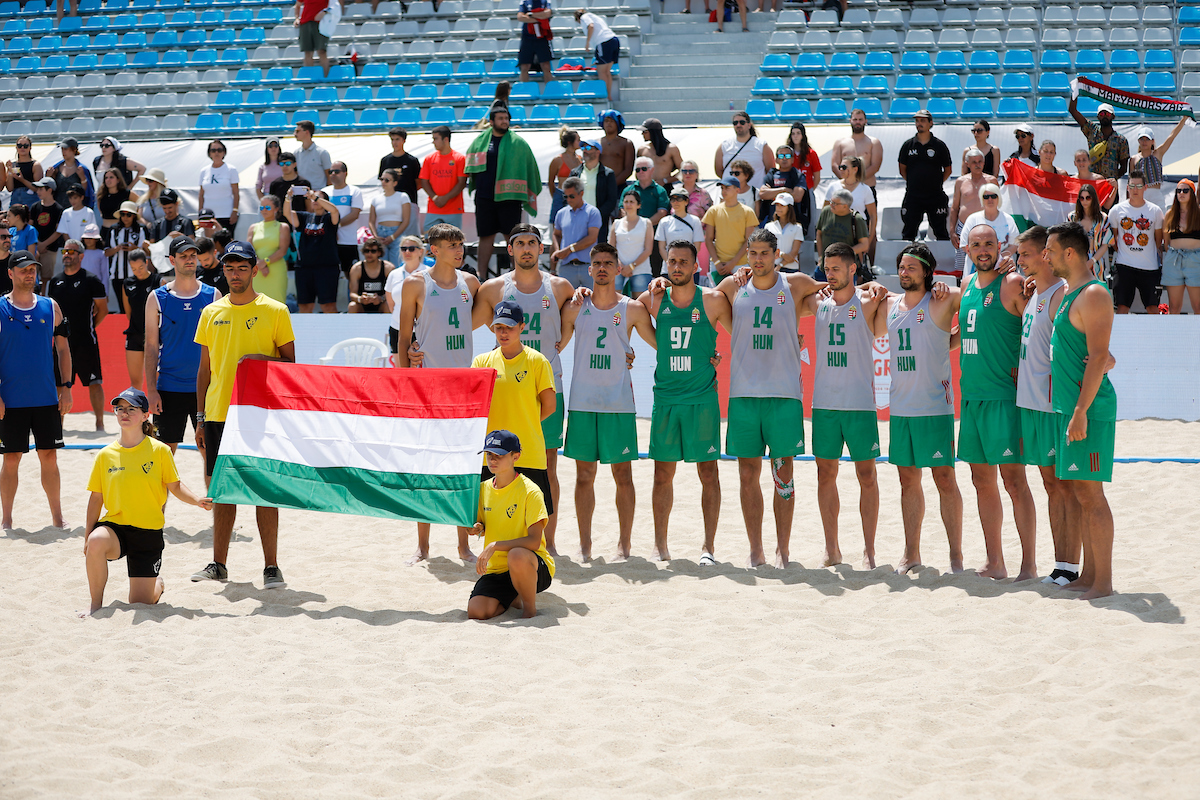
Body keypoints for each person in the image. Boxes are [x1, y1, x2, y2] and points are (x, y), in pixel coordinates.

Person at [192, 240, 296, 588]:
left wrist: (257, 361)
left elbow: (290, 364)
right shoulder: (211, 312)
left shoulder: (276, 310)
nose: (234, 274)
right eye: (229, 267)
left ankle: (271, 567)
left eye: (241, 267)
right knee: (223, 491)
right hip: (219, 413)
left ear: (254, 269)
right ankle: (218, 564)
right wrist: (200, 418)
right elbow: (204, 372)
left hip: (260, 413)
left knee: (264, 490)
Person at [717, 229, 824, 567]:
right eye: (753, 253)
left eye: (765, 253)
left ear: (777, 254)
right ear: (746, 254)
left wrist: (873, 286)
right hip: (744, 395)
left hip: (784, 396)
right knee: (747, 475)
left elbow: (839, 289)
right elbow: (696, 301)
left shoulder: (795, 284)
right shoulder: (733, 286)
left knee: (783, 475)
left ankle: (783, 548)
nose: (758, 259)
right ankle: (756, 548)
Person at [472, 223, 574, 555]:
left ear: (541, 249)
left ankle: (550, 540)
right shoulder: (492, 288)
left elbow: (584, 321)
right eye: (520, 243)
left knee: (547, 465)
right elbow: (458, 319)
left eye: (533, 242)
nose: (527, 248)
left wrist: (626, 352)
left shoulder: (560, 287)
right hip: (506, 388)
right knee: (502, 466)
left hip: (547, 383)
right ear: (510, 249)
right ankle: (502, 534)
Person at [559, 243, 656, 560]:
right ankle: (585, 545)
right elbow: (554, 345)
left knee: (623, 477)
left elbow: (663, 344)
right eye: (596, 263)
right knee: (584, 476)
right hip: (583, 403)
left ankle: (624, 545)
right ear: (589, 270)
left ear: (618, 268)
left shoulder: (633, 308)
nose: (601, 268)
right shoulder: (574, 307)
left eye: (607, 263)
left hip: (618, 405)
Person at [80, 387, 212, 617]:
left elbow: (175, 486)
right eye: (120, 408)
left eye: (131, 409)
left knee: (140, 602)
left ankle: (157, 585)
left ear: (145, 415)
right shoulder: (105, 455)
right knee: (96, 541)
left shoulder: (160, 450)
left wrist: (197, 499)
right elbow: (96, 498)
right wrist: (88, 537)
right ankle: (95, 605)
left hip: (148, 532)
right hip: (116, 527)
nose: (125, 413)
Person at [397, 223, 481, 564]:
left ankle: (463, 545)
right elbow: (404, 338)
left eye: (460, 243)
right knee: (425, 466)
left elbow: (481, 321)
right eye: (451, 243)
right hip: (427, 386)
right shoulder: (416, 284)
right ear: (433, 249)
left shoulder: (470, 283)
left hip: (463, 386)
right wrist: (405, 377)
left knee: (462, 466)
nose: (458, 249)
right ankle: (423, 545)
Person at [958, 224, 1037, 581]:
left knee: (1015, 482)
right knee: (981, 480)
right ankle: (995, 561)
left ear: (999, 246)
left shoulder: (1011, 283)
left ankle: (1029, 564)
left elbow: (1039, 326)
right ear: (967, 250)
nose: (983, 249)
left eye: (989, 243)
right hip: (972, 398)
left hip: (1003, 398)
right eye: (976, 244)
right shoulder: (964, 287)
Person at [643, 240, 730, 563]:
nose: (677, 266)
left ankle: (708, 547)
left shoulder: (712, 301)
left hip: (702, 400)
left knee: (708, 473)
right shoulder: (653, 298)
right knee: (662, 475)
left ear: (696, 267)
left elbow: (743, 330)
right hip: (666, 398)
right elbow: (627, 315)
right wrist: (653, 347)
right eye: (672, 261)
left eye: (683, 262)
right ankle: (660, 545)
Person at [1045, 221, 1119, 600]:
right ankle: (1089, 575)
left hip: (1087, 409)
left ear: (1069, 253)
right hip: (1072, 407)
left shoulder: (1092, 293)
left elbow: (1100, 357)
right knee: (1079, 491)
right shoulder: (1071, 293)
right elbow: (1099, 356)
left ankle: (1103, 582)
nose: (1047, 256)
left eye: (1051, 251)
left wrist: (1080, 411)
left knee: (1091, 494)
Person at [885, 243, 964, 575]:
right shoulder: (890, 303)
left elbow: (975, 291)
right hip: (901, 406)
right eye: (901, 267)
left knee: (944, 478)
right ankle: (911, 552)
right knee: (907, 480)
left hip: (934, 406)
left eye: (911, 267)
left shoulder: (942, 299)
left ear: (928, 272)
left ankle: (956, 555)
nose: (904, 272)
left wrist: (947, 282)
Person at [809, 242, 887, 568]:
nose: (829, 274)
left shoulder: (869, 302)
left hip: (859, 403)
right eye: (827, 268)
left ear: (853, 268)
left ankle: (869, 550)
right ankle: (832, 548)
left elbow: (900, 299)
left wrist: (875, 284)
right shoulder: (817, 302)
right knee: (826, 474)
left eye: (836, 268)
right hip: (824, 403)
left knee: (866, 475)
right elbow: (785, 284)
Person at [470, 300, 557, 566]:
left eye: (509, 327)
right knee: (492, 519)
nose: (503, 333)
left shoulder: (537, 361)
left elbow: (550, 406)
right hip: (493, 454)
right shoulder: (482, 362)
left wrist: (524, 423)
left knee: (531, 525)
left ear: (522, 327)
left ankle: (530, 572)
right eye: (498, 327)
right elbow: (472, 405)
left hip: (527, 453)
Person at [1013, 226, 1075, 586]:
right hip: (1031, 403)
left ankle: (1069, 565)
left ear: (1045, 255)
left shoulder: (1061, 295)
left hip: (1052, 405)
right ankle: (1061, 564)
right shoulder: (1036, 292)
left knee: (1063, 486)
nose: (1020, 260)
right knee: (1051, 485)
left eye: (1026, 254)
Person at [0, 250, 72, 530]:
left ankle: (57, 516)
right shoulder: (1, 308)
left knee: (49, 456)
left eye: (32, 269)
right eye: (23, 269)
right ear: (10, 273)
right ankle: (6, 519)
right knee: (11, 458)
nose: (29, 274)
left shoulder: (50, 306)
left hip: (45, 397)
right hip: (11, 398)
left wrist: (66, 387)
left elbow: (64, 349)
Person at [144, 236, 219, 467]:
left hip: (206, 389)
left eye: (192, 255)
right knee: (163, 459)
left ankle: (215, 505)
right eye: (183, 256)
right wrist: (151, 390)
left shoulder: (213, 295)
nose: (189, 260)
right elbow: (151, 347)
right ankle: (159, 506)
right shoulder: (157, 298)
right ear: (172, 260)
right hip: (169, 388)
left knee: (210, 456)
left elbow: (219, 347)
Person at [468, 430, 555, 620]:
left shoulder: (530, 491)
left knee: (516, 554)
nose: (492, 460)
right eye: (489, 455)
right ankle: (514, 596)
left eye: (499, 455)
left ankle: (529, 610)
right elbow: (479, 524)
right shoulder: (483, 488)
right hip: (497, 568)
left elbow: (534, 542)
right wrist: (475, 528)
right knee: (476, 612)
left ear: (516, 456)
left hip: (531, 565)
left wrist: (496, 545)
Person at [464, 104, 540, 279]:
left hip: (510, 197)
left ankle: (517, 276)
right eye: (500, 118)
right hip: (484, 197)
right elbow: (469, 167)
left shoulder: (519, 143)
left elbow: (530, 168)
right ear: (491, 121)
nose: (504, 121)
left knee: (513, 238)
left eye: (506, 119)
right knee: (485, 237)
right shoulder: (480, 141)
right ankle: (481, 277)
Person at [47, 239, 107, 431]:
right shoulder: (55, 281)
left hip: (85, 340)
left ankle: (99, 424)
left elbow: (102, 310)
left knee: (95, 382)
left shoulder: (91, 280)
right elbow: (51, 313)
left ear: (81, 256)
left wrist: (88, 326)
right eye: (65, 251)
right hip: (60, 342)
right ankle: (59, 424)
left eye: (72, 251)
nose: (67, 254)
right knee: (59, 384)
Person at [1105, 170, 1164, 314]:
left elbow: (1158, 240)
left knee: (1152, 307)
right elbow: (1114, 238)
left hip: (1149, 266)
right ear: (1127, 187)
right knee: (1122, 307)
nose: (1135, 190)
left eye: (1138, 186)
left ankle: (1157, 336)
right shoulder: (1116, 210)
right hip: (1124, 265)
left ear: (1145, 187)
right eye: (1132, 186)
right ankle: (1120, 336)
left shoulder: (1155, 211)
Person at [283, 186, 342, 314]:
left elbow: (335, 210)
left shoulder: (329, 217)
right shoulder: (305, 217)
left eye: (318, 198)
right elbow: (287, 213)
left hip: (326, 267)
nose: (314, 200)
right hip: (304, 267)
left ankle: (332, 333)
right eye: (312, 198)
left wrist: (315, 196)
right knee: (305, 306)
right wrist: (288, 197)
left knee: (328, 306)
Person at [898, 110, 953, 241]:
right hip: (913, 196)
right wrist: (915, 182)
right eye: (917, 120)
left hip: (935, 196)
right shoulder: (907, 145)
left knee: (941, 233)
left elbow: (948, 169)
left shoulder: (939, 146)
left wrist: (936, 183)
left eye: (923, 120)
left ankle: (944, 261)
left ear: (930, 123)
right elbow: (902, 169)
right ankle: (907, 260)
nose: (919, 123)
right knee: (908, 232)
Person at [702, 176, 757, 286]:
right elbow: (708, 239)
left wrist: (733, 263)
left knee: (740, 299)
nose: (724, 191)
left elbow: (749, 241)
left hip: (741, 264)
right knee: (717, 299)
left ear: (738, 190)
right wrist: (717, 262)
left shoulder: (748, 212)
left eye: (727, 187)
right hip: (718, 265)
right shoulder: (713, 210)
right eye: (722, 188)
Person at [948, 149, 992, 280]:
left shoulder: (991, 181)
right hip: (963, 228)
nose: (977, 165)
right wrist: (952, 231)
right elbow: (955, 208)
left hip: (986, 227)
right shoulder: (961, 181)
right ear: (967, 163)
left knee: (986, 263)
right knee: (962, 269)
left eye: (980, 161)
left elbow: (998, 206)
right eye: (974, 162)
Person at [551, 177, 602, 288]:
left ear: (581, 193)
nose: (568, 199)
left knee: (592, 303)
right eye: (565, 196)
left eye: (572, 196)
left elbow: (592, 238)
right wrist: (557, 251)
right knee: (566, 303)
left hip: (588, 267)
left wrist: (568, 250)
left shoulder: (593, 212)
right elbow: (556, 234)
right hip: (566, 267)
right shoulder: (561, 213)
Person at [959, 184, 1017, 278]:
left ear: (999, 198)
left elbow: (1014, 244)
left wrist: (997, 261)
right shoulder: (972, 219)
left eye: (993, 196)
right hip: (975, 269)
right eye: (986, 197)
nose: (990, 199)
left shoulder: (1008, 219)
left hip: (1003, 268)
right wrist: (983, 260)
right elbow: (964, 245)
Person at [120, 250, 159, 390]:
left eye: (141, 267)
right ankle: (139, 412)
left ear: (147, 262)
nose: (138, 271)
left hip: (156, 336)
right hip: (135, 334)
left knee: (156, 381)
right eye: (134, 269)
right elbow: (128, 312)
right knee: (135, 382)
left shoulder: (158, 281)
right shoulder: (127, 284)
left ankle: (158, 411)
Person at [418, 125, 468, 232]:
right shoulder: (429, 158)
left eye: (435, 139)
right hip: (433, 207)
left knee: (453, 240)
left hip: (453, 209)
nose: (433, 142)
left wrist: (445, 198)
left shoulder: (459, 158)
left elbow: (462, 183)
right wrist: (435, 197)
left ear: (446, 139)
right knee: (430, 239)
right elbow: (424, 181)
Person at [814, 188, 870, 281]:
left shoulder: (857, 219)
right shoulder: (826, 212)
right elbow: (819, 234)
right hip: (823, 269)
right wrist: (820, 257)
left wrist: (842, 255)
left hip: (845, 272)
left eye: (835, 203)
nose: (831, 204)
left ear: (845, 206)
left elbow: (864, 245)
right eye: (831, 201)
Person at [830, 108, 883, 203]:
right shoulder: (840, 143)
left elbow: (875, 166)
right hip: (845, 189)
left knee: (869, 217)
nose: (857, 122)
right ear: (850, 121)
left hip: (867, 187)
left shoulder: (874, 142)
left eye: (860, 119)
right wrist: (847, 181)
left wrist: (856, 181)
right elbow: (834, 165)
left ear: (865, 121)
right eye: (855, 119)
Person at [1163, 179, 1200, 315]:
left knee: (1198, 306)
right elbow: (1166, 242)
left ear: (1192, 193)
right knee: (1174, 306)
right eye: (1178, 191)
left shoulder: (1198, 213)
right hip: (1174, 259)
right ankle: (1172, 336)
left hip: (1195, 260)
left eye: (1185, 190)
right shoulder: (1170, 215)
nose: (1181, 193)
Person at [377, 127, 422, 240]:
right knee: (392, 238)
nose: (394, 142)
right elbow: (382, 182)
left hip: (409, 202)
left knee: (410, 238)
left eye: (397, 139)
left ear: (404, 140)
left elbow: (419, 183)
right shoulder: (385, 160)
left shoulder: (412, 161)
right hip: (390, 204)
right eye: (392, 139)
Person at [1130, 121, 1187, 209]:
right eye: (1142, 139)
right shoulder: (1134, 159)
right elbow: (1131, 182)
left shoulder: (1158, 153)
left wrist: (1183, 120)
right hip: (1140, 194)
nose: (1144, 142)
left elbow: (1172, 136)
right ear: (1138, 141)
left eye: (1147, 139)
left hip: (1156, 194)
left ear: (1152, 141)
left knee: (1160, 220)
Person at [570, 138, 618, 242]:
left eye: (588, 147)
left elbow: (611, 200)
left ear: (598, 152)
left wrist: (595, 216)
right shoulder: (575, 173)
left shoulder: (607, 174)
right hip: (577, 221)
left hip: (598, 223)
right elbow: (568, 196)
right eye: (583, 147)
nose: (584, 151)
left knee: (597, 254)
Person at [1068, 100, 1129, 181]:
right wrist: (1075, 92)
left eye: (1107, 114)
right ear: (1098, 117)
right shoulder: (1092, 131)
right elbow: (1072, 110)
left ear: (1113, 116)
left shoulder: (1121, 140)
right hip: (1092, 182)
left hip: (1109, 186)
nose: (1104, 116)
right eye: (1102, 114)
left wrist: (1112, 179)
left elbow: (1124, 167)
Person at [103, 200, 150, 305]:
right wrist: (117, 248)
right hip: (117, 274)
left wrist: (135, 249)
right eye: (122, 214)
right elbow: (106, 253)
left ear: (134, 216)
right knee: (122, 305)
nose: (125, 217)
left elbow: (149, 253)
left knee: (137, 304)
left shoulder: (142, 229)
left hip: (137, 274)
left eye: (128, 214)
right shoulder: (113, 229)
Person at [323, 160, 364, 277]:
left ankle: (352, 296)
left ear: (345, 173)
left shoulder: (354, 191)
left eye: (337, 171)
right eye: (331, 172)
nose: (333, 174)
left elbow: (354, 214)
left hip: (348, 241)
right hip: (329, 242)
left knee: (351, 274)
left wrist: (335, 226)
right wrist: (331, 231)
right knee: (329, 274)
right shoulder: (324, 191)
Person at [607, 191, 653, 294]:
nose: (628, 204)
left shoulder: (646, 223)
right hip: (617, 269)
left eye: (632, 202)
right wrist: (621, 265)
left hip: (641, 270)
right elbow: (611, 248)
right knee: (615, 304)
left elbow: (648, 249)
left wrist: (631, 266)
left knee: (641, 304)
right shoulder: (617, 223)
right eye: (626, 201)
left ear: (638, 205)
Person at [247, 195, 289, 305]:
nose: (264, 210)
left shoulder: (283, 227)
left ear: (276, 209)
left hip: (275, 270)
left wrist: (264, 262)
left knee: (277, 304)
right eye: (262, 208)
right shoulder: (253, 227)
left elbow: (282, 250)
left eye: (268, 207)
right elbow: (249, 249)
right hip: (257, 271)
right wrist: (259, 264)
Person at [716, 111, 773, 191]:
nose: (738, 125)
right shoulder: (724, 145)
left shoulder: (761, 145)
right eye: (735, 123)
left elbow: (771, 170)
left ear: (749, 125)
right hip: (730, 195)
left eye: (742, 122)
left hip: (755, 196)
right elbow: (719, 171)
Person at [833, 154, 876, 258]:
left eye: (844, 167)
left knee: (857, 268)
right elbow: (825, 212)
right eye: (840, 167)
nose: (841, 170)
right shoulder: (833, 187)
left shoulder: (865, 189)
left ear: (855, 169)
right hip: (837, 232)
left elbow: (873, 215)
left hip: (858, 234)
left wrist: (868, 240)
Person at [383, 234, 420, 354]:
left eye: (412, 248)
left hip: (421, 330)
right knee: (399, 370)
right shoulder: (394, 274)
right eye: (404, 249)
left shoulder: (428, 272)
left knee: (423, 370)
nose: (407, 252)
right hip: (397, 327)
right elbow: (391, 303)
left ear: (420, 251)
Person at [369, 168, 412, 268]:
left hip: (397, 234)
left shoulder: (403, 196)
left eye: (387, 180)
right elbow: (371, 221)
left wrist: (393, 236)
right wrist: (376, 236)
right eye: (382, 179)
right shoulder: (375, 199)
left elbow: (406, 220)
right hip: (380, 234)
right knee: (382, 268)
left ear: (395, 183)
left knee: (397, 266)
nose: (383, 182)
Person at [785, 122, 821, 236]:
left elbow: (817, 176)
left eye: (798, 133)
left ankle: (809, 243)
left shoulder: (811, 153)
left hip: (807, 191)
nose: (795, 136)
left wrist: (809, 189)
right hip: (791, 191)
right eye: (793, 133)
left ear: (803, 135)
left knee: (809, 220)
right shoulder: (787, 154)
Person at [757, 144, 805, 227]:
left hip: (792, 222)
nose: (784, 158)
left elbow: (797, 197)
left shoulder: (798, 176)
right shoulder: (771, 175)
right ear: (776, 160)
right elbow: (762, 194)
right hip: (772, 221)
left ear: (793, 159)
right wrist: (785, 190)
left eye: (788, 155)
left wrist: (772, 193)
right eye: (781, 155)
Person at [197, 140, 240, 233]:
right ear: (209, 153)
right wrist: (200, 213)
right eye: (213, 150)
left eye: (219, 150)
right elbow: (201, 195)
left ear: (224, 152)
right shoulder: (204, 171)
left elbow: (236, 193)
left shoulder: (231, 169)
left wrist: (235, 211)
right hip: (208, 215)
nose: (216, 152)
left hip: (226, 214)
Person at [31, 178, 65, 291]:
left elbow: (59, 231)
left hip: (50, 249)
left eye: (41, 189)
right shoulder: (35, 207)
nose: (38, 191)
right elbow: (31, 227)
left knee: (46, 278)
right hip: (35, 247)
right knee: (32, 275)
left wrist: (44, 244)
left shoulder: (58, 209)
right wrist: (37, 243)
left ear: (50, 190)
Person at [46, 137, 95, 210]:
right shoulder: (56, 169)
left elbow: (86, 192)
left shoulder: (82, 169)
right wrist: (48, 178)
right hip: (58, 209)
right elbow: (50, 190)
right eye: (62, 149)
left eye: (66, 149)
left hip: (76, 210)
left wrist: (83, 178)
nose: (63, 152)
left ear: (74, 150)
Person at [1069, 183, 1110, 268]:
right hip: (1076, 264)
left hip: (1097, 265)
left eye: (1088, 198)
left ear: (1093, 198)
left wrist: (1092, 261)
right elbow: (1067, 242)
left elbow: (1105, 244)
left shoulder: (1103, 218)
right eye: (1082, 198)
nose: (1085, 201)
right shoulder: (1072, 218)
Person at [547, 127, 581, 226]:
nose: (580, 142)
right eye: (578, 140)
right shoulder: (557, 160)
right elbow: (551, 182)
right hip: (561, 195)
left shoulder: (580, 159)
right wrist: (556, 196)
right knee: (557, 224)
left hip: (576, 196)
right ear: (570, 142)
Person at [348, 241, 393, 314]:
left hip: (382, 304)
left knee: (388, 304)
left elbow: (392, 292)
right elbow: (352, 293)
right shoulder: (356, 269)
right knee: (352, 306)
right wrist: (360, 299)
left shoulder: (388, 268)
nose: (369, 254)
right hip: (362, 305)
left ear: (379, 253)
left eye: (373, 251)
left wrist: (381, 298)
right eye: (366, 251)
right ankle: (353, 325)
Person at [516, 0, 554, 85]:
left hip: (542, 37)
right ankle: (524, 92)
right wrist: (539, 18)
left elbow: (547, 14)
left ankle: (549, 90)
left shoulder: (545, 1)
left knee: (546, 66)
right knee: (524, 67)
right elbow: (520, 17)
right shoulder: (525, 1)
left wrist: (531, 14)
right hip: (527, 37)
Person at [293, 121, 332, 203]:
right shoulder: (296, 153)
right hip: (302, 195)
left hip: (318, 195)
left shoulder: (322, 152)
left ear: (307, 132)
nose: (294, 134)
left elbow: (329, 176)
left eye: (297, 131)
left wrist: (326, 193)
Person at [637, 118, 681, 187]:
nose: (642, 134)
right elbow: (637, 171)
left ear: (653, 132)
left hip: (665, 187)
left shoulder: (671, 148)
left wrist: (665, 181)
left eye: (645, 131)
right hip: (646, 187)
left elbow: (683, 170)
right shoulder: (642, 150)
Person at [598, 109, 635, 188]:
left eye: (612, 121)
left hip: (618, 186)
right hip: (599, 185)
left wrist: (613, 184)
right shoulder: (597, 143)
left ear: (617, 123)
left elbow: (628, 169)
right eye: (606, 121)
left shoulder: (626, 143)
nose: (608, 123)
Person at [764, 194, 802, 271]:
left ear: (789, 208)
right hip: (771, 266)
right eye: (777, 205)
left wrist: (780, 264)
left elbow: (793, 255)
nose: (778, 208)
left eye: (782, 205)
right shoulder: (768, 226)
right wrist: (783, 255)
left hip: (791, 269)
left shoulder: (797, 228)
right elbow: (766, 249)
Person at [6, 135, 42, 210]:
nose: (22, 148)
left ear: (30, 148)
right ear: (16, 148)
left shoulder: (35, 165)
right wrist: (9, 172)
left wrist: (22, 180)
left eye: (25, 146)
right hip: (16, 199)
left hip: (31, 198)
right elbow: (9, 188)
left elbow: (38, 188)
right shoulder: (13, 165)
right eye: (20, 145)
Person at [295, 0, 331, 76]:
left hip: (321, 23)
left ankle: (325, 77)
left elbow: (333, 6)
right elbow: (297, 5)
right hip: (305, 23)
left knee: (322, 51)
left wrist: (324, 13)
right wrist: (297, 18)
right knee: (308, 52)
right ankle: (310, 77)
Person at [255, 136, 284, 201]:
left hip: (282, 196)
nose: (273, 148)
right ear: (267, 149)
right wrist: (263, 201)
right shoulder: (262, 167)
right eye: (270, 146)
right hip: (267, 197)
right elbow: (258, 186)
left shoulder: (284, 165)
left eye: (275, 145)